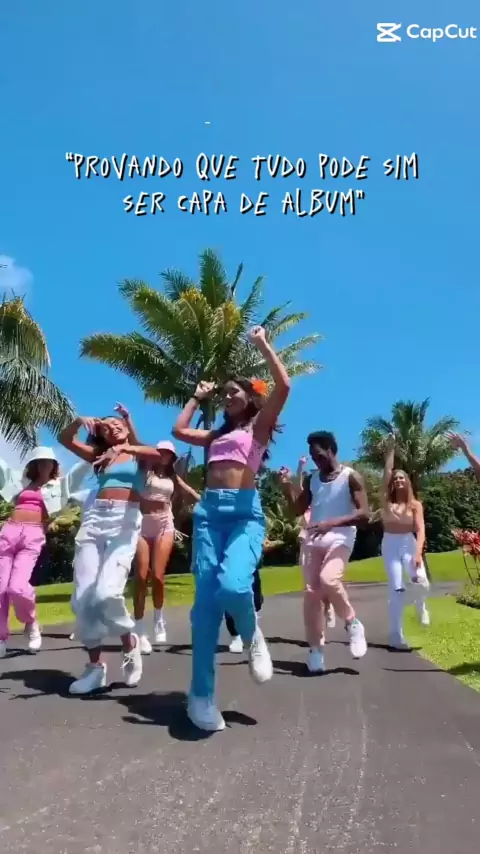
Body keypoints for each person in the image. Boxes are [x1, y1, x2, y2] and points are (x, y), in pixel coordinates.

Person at [172, 325, 290, 732]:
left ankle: (252, 634)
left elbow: (284, 386)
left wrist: (263, 345)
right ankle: (200, 696)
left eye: (233, 391)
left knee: (236, 586)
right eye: (224, 393)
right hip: (208, 516)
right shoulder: (215, 435)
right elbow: (178, 431)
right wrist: (196, 397)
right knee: (205, 608)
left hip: (243, 515)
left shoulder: (257, 430)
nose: (227, 396)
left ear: (250, 397)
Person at [59, 412, 148, 694]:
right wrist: (79, 421)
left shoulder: (139, 455)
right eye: (106, 427)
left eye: (116, 423)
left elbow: (155, 453)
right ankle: (95, 667)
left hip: (124, 520)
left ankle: (129, 642)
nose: (112, 427)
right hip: (95, 519)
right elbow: (65, 439)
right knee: (83, 597)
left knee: (106, 593)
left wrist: (128, 433)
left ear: (127, 427)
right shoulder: (100, 456)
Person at [112, 405, 200, 654]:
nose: (164, 456)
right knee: (141, 577)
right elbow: (135, 442)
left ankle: (159, 619)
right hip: (142, 524)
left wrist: (209, 501)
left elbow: (191, 493)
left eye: (168, 454)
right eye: (161, 452)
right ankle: (140, 629)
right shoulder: (144, 469)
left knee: (158, 576)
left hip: (164, 524)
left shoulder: (173, 477)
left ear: (172, 457)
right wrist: (128, 417)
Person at [281, 431, 369, 674]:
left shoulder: (351, 477)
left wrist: (331, 523)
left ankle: (352, 622)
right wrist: (287, 487)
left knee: (329, 579)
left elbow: (364, 514)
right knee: (312, 594)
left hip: (341, 537)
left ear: (331, 450)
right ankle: (316, 650)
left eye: (319, 455)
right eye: (312, 457)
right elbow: (297, 510)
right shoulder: (313, 479)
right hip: (314, 538)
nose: (316, 460)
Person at [0, 447, 91, 658]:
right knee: (1, 588)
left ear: (53, 465)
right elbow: (2, 467)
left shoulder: (58, 486)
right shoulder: (20, 482)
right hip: (9, 532)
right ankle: (1, 637)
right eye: (40, 461)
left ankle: (31, 621)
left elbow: (78, 473)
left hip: (32, 536)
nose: (44, 465)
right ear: (33, 464)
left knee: (17, 587)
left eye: (48, 461)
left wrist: (92, 456)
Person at [381, 435, 430, 648]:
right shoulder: (386, 501)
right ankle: (396, 636)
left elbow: (420, 530)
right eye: (396, 479)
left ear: (407, 481)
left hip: (409, 543)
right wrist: (391, 450)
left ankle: (421, 606)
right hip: (390, 544)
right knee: (396, 588)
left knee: (421, 581)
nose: (398, 481)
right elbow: (386, 474)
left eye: (402, 478)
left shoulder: (415, 505)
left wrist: (417, 553)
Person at [294, 456, 336, 634]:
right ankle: (318, 631)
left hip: (325, 542)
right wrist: (300, 466)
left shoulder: (325, 503)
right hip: (307, 543)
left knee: (325, 581)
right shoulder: (306, 504)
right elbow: (297, 486)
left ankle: (328, 605)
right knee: (310, 587)